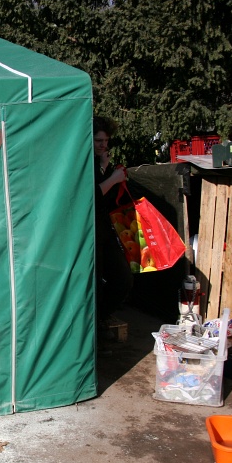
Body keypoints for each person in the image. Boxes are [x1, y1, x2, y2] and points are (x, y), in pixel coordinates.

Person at [93, 116, 133, 338]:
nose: (104, 145)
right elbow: (92, 195)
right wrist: (114, 178)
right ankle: (94, 325)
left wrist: (106, 168)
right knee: (98, 282)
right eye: (99, 140)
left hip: (105, 232)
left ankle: (99, 318)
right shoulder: (83, 162)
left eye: (106, 141)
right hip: (91, 234)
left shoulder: (100, 163)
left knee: (122, 279)